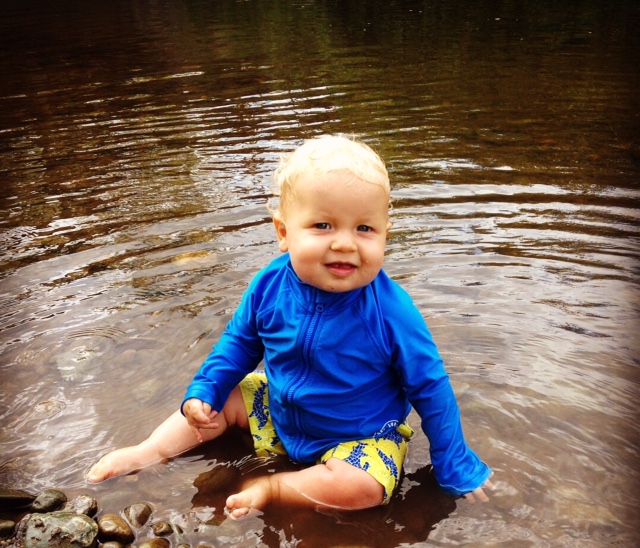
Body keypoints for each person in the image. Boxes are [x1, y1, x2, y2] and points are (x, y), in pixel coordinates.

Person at [87, 135, 494, 518]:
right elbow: (237, 345)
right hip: (280, 412)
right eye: (323, 226)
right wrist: (204, 391)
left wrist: (454, 463)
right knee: (221, 397)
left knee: (366, 487)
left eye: (364, 228)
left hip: (359, 438)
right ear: (284, 233)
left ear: (385, 234)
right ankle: (150, 451)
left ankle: (276, 487)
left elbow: (431, 388)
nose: (345, 243)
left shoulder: (392, 311)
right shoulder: (269, 285)